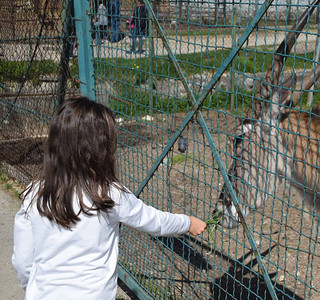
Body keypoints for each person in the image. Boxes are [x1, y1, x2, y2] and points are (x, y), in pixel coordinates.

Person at [12, 96, 207, 300]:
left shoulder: (34, 193)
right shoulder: (108, 193)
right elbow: (154, 221)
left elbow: (22, 260)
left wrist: (32, 288)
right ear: (100, 149)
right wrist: (187, 223)